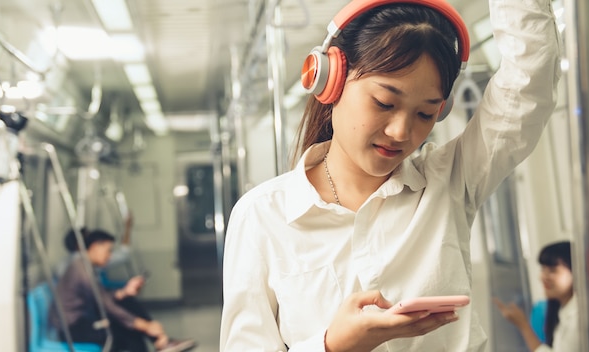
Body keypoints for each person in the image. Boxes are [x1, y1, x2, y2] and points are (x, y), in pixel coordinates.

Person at [219, 0, 561, 350]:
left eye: (425, 114)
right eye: (384, 102)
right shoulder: (263, 216)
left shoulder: (449, 180)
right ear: (330, 81)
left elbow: (529, 82)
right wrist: (332, 345)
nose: (401, 131)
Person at [50, 229, 196, 352]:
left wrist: (124, 292)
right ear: (95, 247)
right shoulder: (82, 270)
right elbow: (106, 305)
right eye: (108, 251)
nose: (110, 256)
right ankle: (160, 340)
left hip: (85, 319)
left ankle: (161, 342)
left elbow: (102, 297)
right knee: (126, 332)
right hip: (73, 328)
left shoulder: (84, 265)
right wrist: (144, 326)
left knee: (127, 302)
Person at [494, 241, 579, 352]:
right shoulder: (563, 311)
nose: (543, 277)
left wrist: (523, 325)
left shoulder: (577, 319)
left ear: (576, 271)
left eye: (553, 270)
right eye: (543, 269)